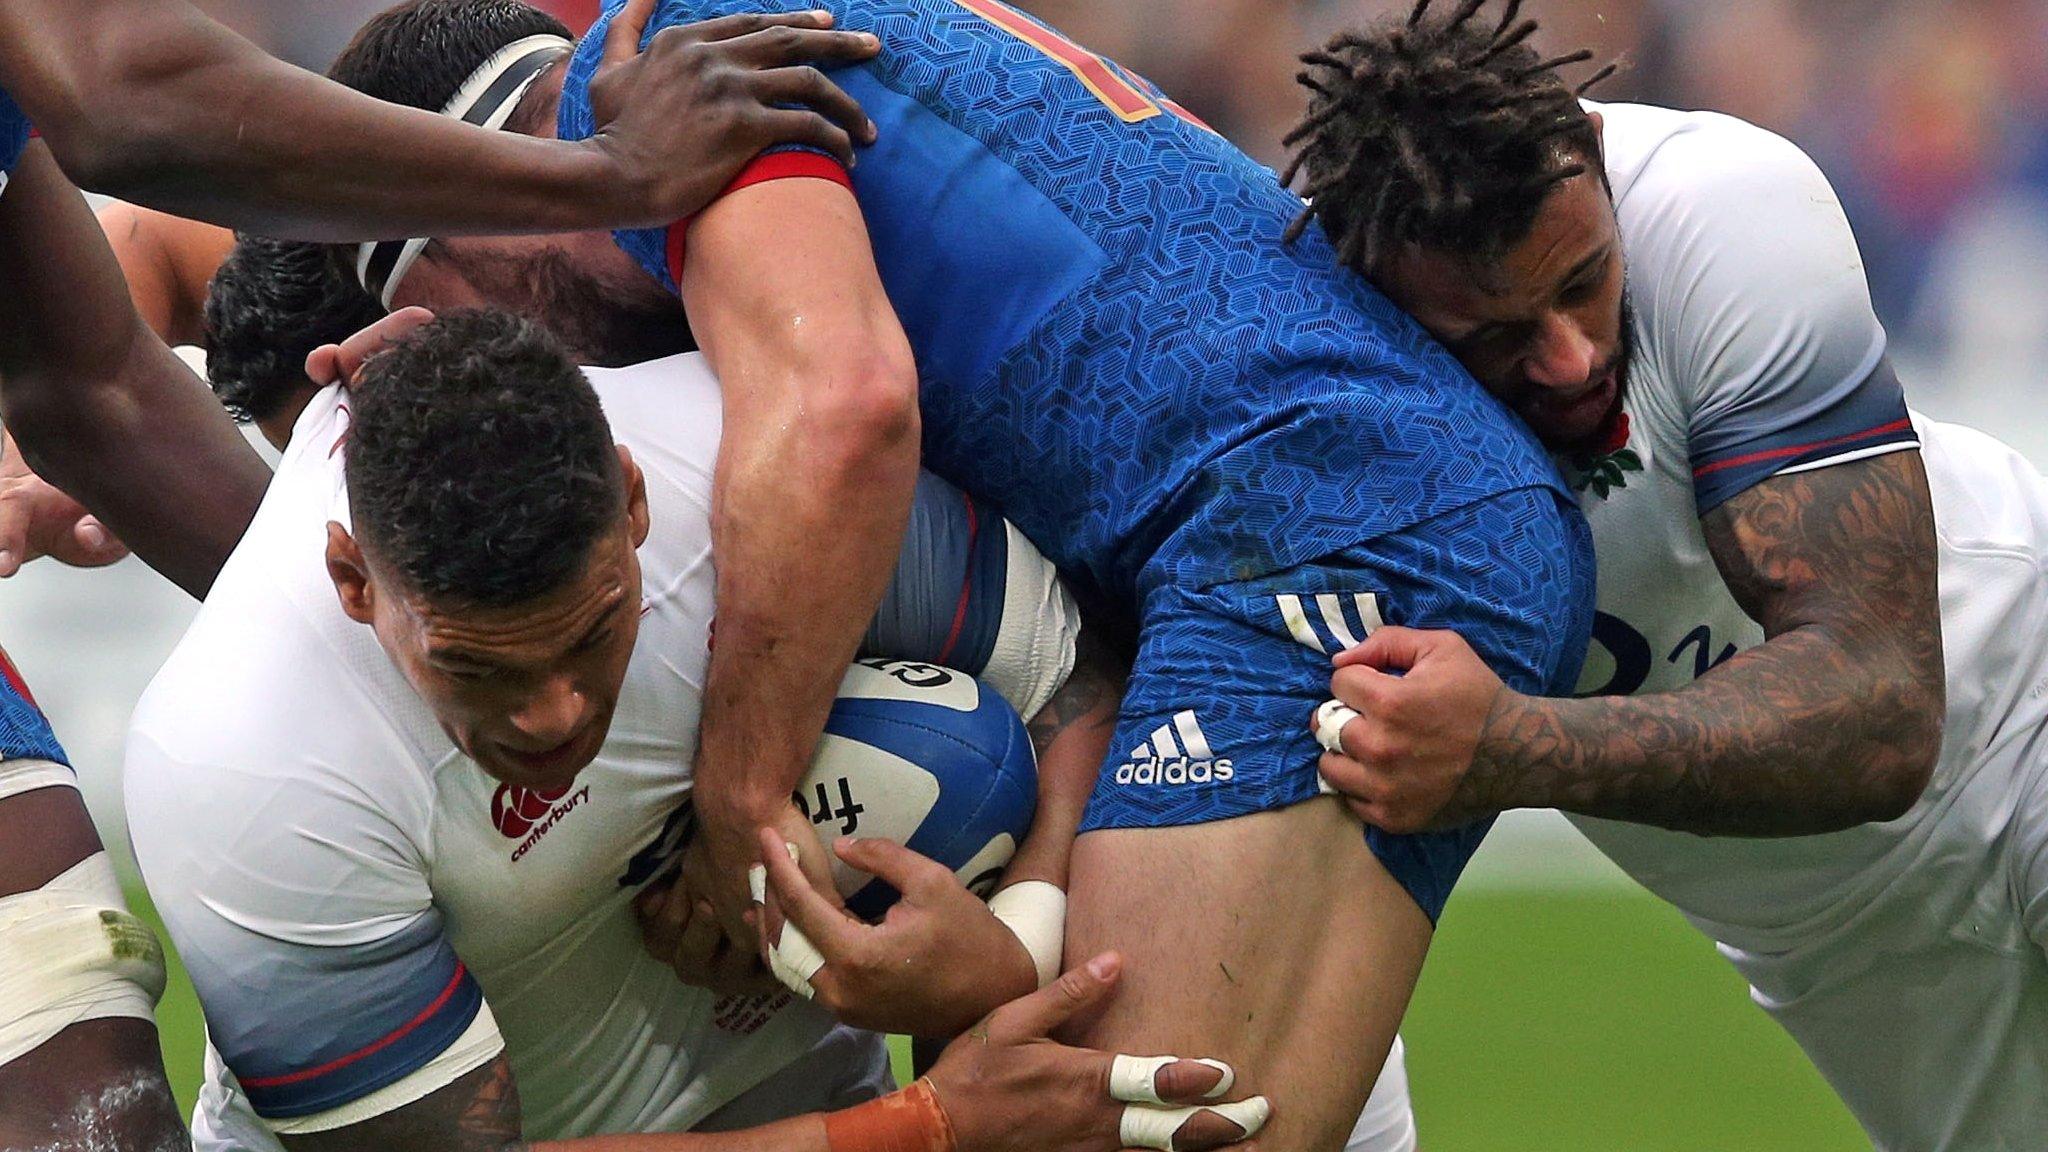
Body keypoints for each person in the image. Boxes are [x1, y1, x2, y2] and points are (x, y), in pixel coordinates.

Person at [315, 3, 1595, 1147]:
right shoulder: (761, 64)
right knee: (1118, 1107)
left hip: (1325, 515)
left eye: (464, 309)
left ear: (481, 209)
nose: (517, 361)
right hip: (1321, 508)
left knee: (1118, 1122)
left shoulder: (677, 90)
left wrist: (741, 815)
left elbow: (848, 412)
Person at [119, 306, 1268, 1152]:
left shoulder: (748, 469)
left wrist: (1018, 936)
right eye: (475, 668)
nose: (553, 712)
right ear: (354, 582)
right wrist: (925, 1127)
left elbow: (1077, 676)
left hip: (812, 1102)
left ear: (632, 503)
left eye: (592, 633)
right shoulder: (241, 764)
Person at [1286, 3, 2046, 1148]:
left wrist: (1507, 749)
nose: (1570, 357)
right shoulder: (1307, 412)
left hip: (2022, 695)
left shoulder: (1714, 203)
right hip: (1831, 941)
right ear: (1383, 317)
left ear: (1592, 159)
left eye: (1582, 281)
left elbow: (1881, 707)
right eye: (1495, 335)